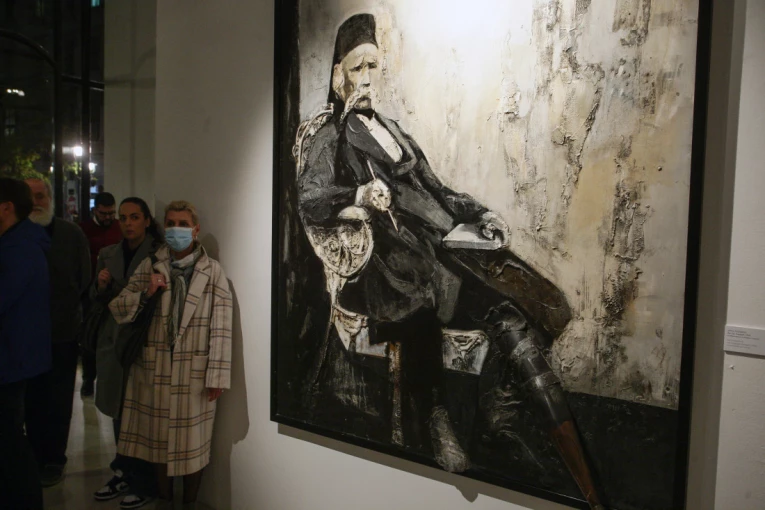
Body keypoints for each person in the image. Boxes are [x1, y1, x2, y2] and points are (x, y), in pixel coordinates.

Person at [297, 14, 604, 510]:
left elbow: (438, 190)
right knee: (423, 289)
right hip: (388, 258)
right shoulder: (331, 135)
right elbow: (311, 199)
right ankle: (435, 413)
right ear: (339, 77)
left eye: (374, 66)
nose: (368, 78)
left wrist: (480, 214)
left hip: (444, 247)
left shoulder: (393, 130)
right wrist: (358, 193)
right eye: (358, 69)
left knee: (516, 310)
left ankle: (501, 421)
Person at [110, 200, 232, 509]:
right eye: (171, 223)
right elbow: (118, 307)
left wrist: (217, 375)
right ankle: (164, 501)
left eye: (183, 224)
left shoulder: (212, 271)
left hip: (194, 372)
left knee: (194, 446)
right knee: (158, 443)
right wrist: (147, 292)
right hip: (155, 369)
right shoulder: (150, 265)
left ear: (195, 229)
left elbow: (221, 326)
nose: (176, 229)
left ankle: (189, 503)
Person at [92, 198, 161, 509]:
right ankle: (121, 470)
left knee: (141, 411)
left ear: (146, 220)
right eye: (123, 218)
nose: (128, 223)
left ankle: (142, 479)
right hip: (114, 339)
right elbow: (96, 298)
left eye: (134, 217)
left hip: (141, 339)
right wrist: (101, 285)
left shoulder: (158, 254)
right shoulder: (108, 254)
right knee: (119, 409)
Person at [24, 177, 91, 487]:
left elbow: (84, 278)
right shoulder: (13, 234)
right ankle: (34, 457)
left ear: (50, 198)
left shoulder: (71, 234)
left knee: (59, 400)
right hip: (23, 336)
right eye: (30, 196)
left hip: (62, 333)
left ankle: (54, 459)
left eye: (40, 196)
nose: (36, 202)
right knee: (30, 401)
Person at [0, 178, 52, 510]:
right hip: (13, 356)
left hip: (10, 359)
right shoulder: (18, 243)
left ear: (6, 208)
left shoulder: (20, 249)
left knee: (9, 443)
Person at [80, 191, 123, 397]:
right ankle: (88, 379)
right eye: (104, 213)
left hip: (115, 291)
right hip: (91, 290)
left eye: (111, 213)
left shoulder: (119, 228)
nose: (108, 217)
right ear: (95, 211)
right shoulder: (83, 230)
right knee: (90, 336)